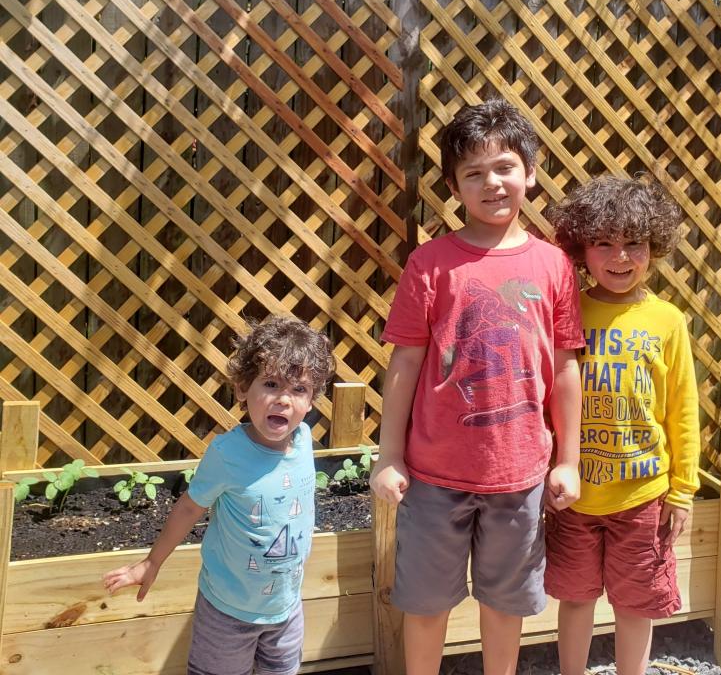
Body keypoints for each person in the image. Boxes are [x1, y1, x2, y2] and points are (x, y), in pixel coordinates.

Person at [370, 98, 584, 675]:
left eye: (505, 167)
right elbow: (404, 365)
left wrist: (569, 460)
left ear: (531, 172)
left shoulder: (553, 267)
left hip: (518, 475)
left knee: (505, 604)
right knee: (425, 604)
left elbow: (565, 369)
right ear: (454, 185)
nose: (492, 183)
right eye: (474, 173)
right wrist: (389, 455)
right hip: (434, 477)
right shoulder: (430, 264)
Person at [103, 315, 334, 675]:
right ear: (243, 389)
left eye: (299, 390)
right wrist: (151, 563)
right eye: (271, 384)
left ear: (312, 399)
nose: (284, 400)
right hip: (228, 611)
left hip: (287, 607)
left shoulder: (303, 441)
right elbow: (189, 507)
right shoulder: (228, 454)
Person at [543, 175, 700, 675]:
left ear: (654, 246)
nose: (621, 256)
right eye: (604, 243)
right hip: (574, 497)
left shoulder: (668, 320)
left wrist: (682, 491)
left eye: (634, 243)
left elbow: (683, 410)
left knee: (636, 605)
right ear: (580, 248)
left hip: (643, 498)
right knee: (576, 600)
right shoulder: (565, 310)